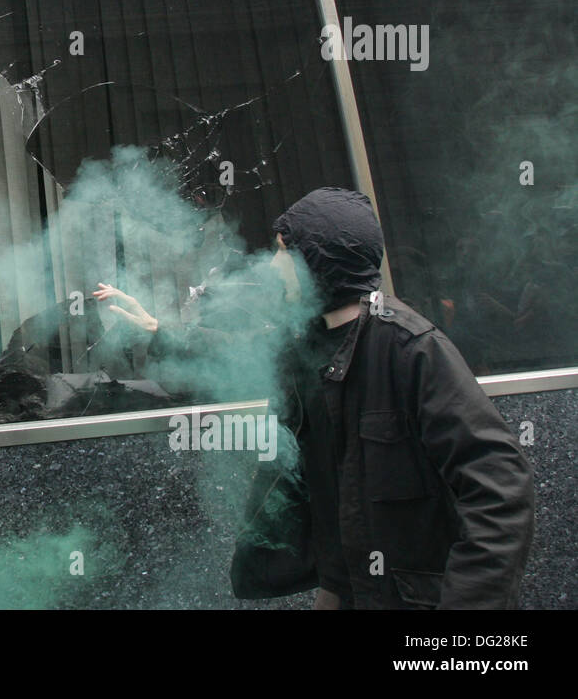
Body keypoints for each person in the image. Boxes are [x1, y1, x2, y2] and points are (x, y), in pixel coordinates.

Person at [94, 187, 535, 609]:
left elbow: (500, 489)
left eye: (285, 251)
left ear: (319, 259)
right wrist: (156, 331)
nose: (272, 266)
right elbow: (232, 353)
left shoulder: (410, 348)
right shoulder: (306, 345)